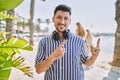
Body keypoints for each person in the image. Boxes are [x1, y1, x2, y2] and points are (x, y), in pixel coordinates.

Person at [35, 4, 100, 80]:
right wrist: (53, 57)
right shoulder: (44, 42)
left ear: (70, 21)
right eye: (59, 17)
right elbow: (38, 70)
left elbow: (87, 62)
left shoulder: (79, 40)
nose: (62, 21)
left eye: (66, 18)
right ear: (53, 19)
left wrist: (94, 57)